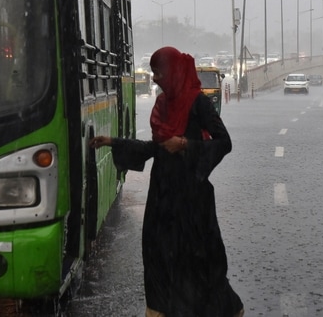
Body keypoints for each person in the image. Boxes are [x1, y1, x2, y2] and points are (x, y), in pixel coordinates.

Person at [91, 46, 245, 317]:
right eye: (152, 73)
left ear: (172, 72)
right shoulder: (162, 104)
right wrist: (113, 142)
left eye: (158, 72)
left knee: (198, 259)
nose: (154, 79)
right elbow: (156, 148)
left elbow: (224, 142)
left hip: (192, 197)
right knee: (158, 255)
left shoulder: (198, 103)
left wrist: (186, 144)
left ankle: (225, 309)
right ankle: (159, 310)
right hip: (162, 195)